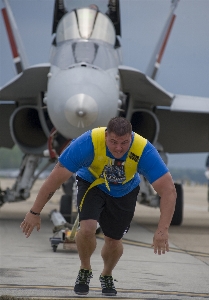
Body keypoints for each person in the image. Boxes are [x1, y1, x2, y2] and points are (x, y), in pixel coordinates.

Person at [20, 117, 176, 296]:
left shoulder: (143, 149)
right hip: (92, 184)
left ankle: (107, 274)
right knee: (87, 228)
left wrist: (162, 230)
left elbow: (169, 191)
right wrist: (34, 212)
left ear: (131, 138)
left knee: (113, 240)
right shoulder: (87, 143)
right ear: (105, 136)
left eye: (124, 143)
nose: (118, 148)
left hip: (125, 190)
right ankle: (85, 269)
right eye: (113, 142)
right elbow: (55, 179)